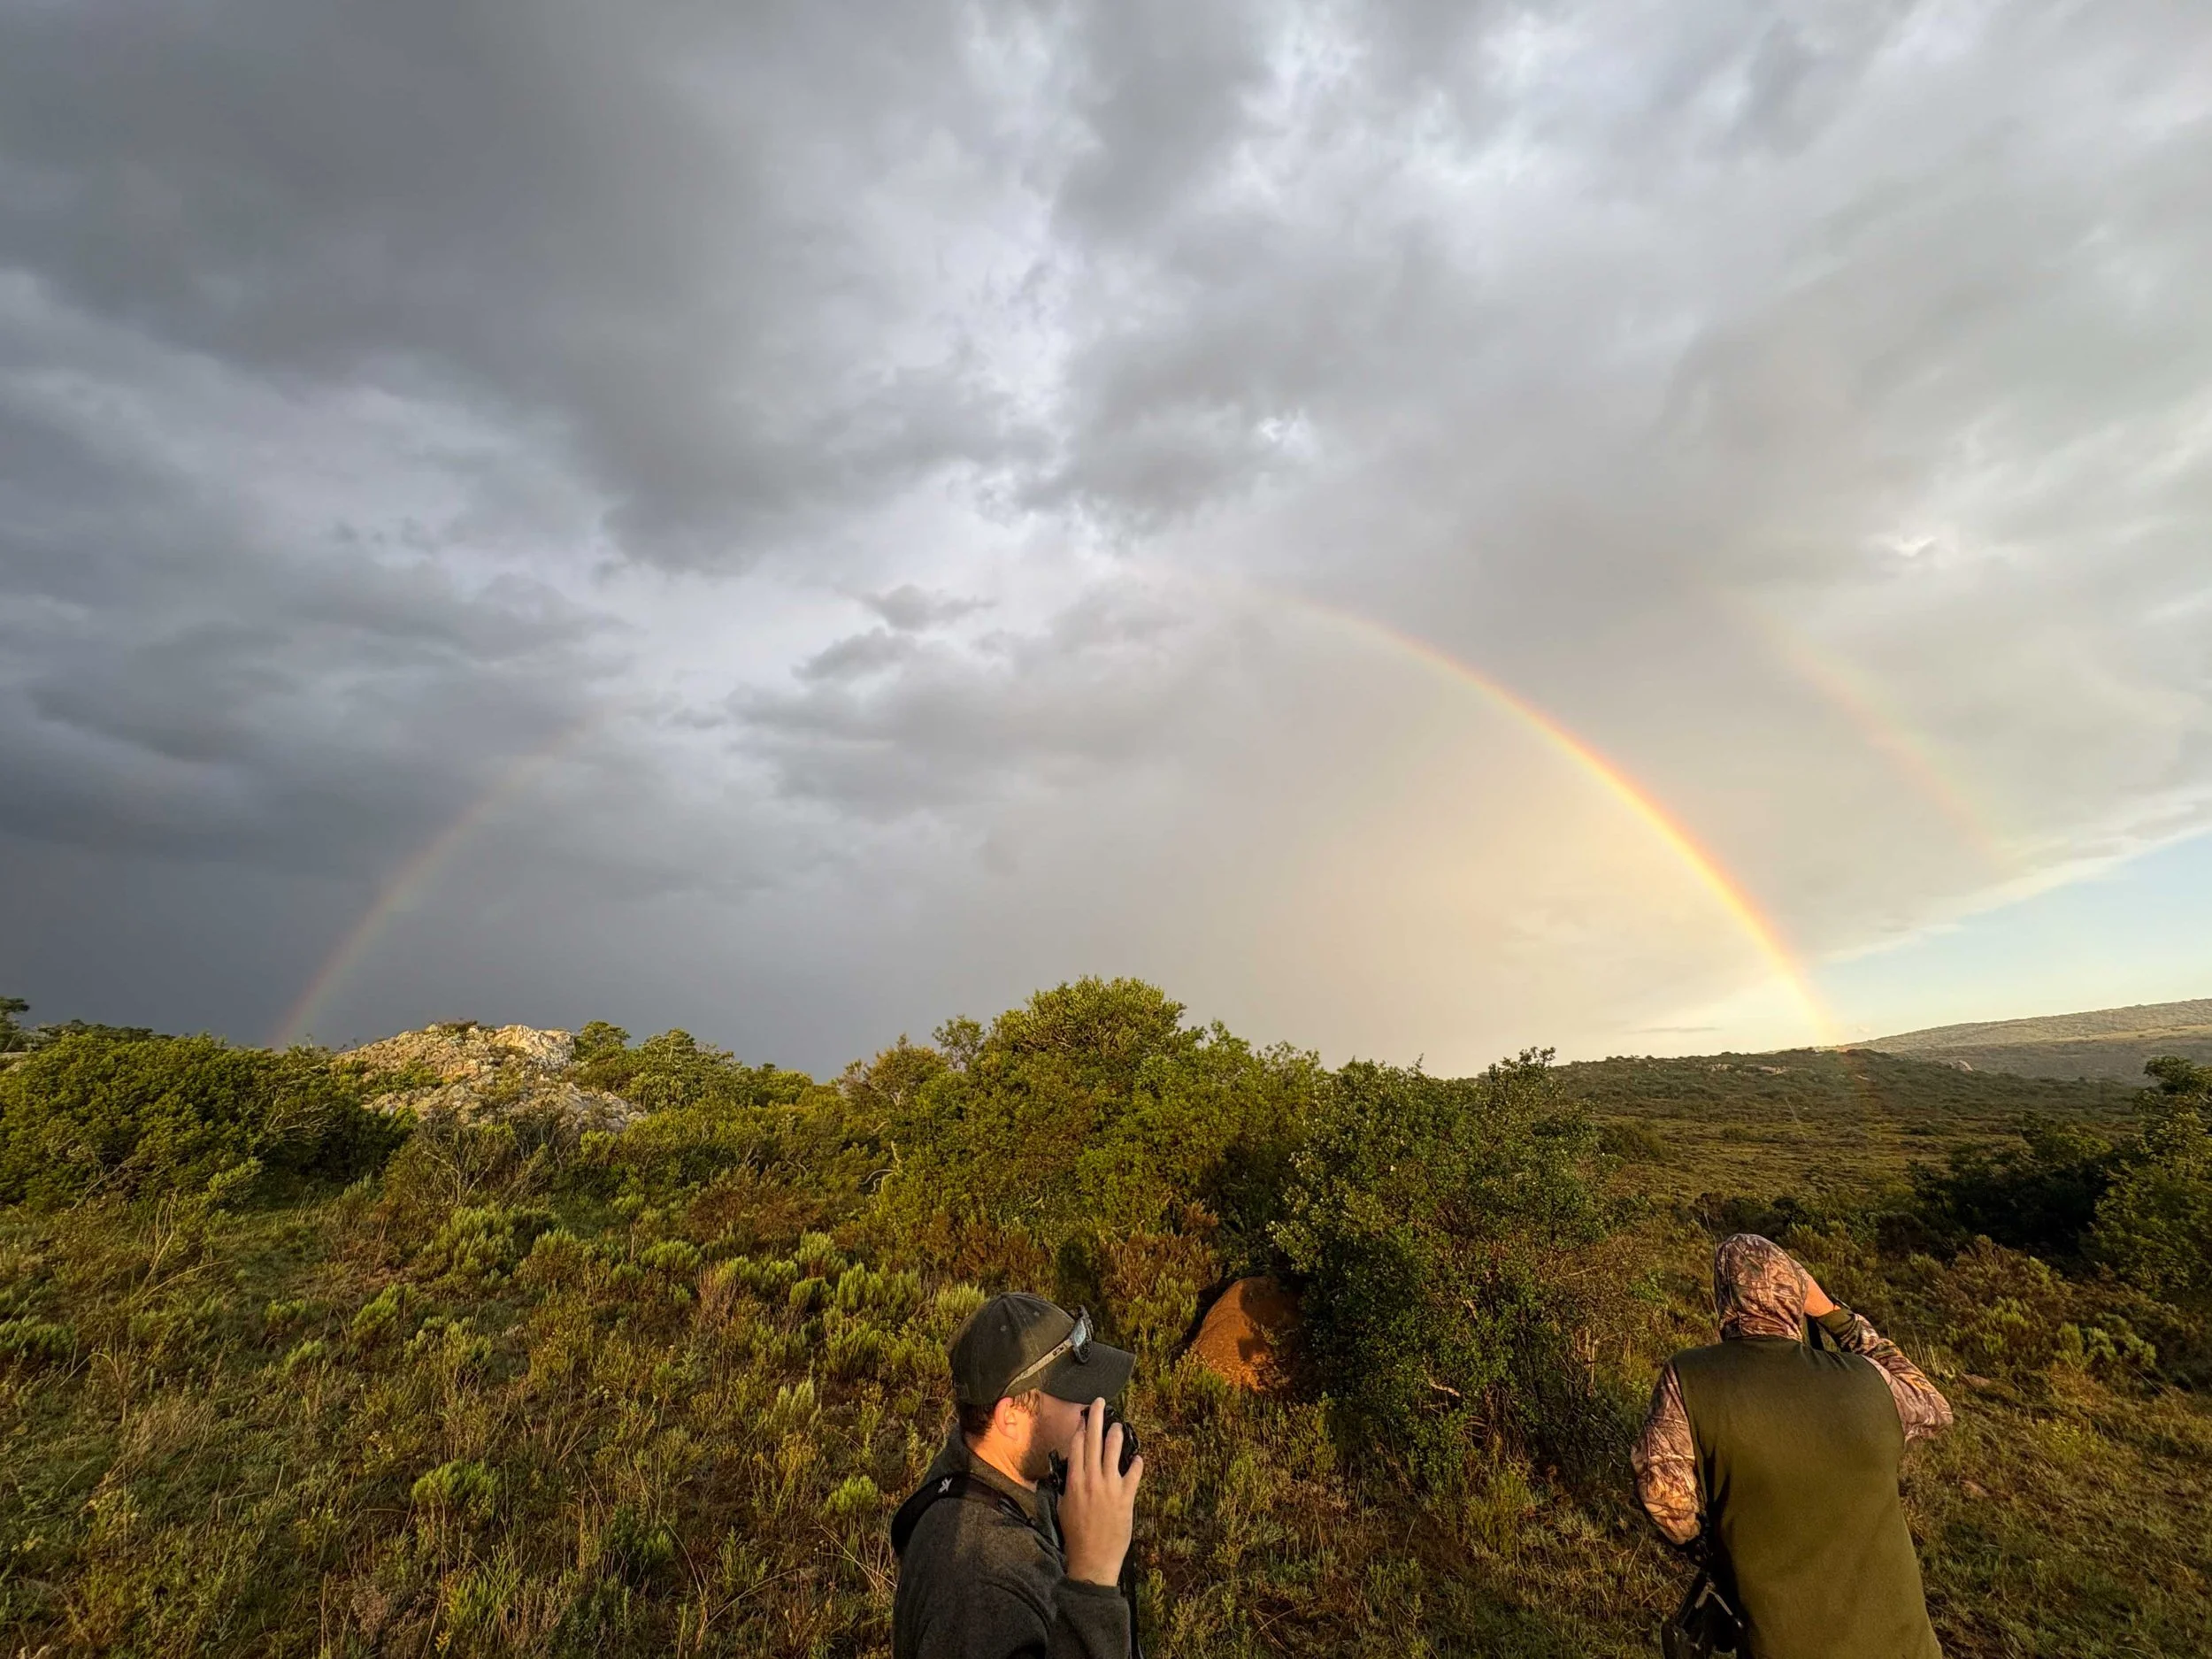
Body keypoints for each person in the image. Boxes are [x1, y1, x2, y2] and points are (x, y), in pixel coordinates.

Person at [1632, 1233, 1955, 1659]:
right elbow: (1935, 1408)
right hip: (1904, 1642)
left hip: (1784, 1641)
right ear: (1797, 1297)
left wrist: (1712, 1547)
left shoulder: (1689, 1377)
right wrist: (1834, 1315)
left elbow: (1664, 1497)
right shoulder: (1868, 1381)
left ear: (1725, 1298)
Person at [892, 1292, 1144, 1659]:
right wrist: (1094, 1576)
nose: (1097, 1408)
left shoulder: (983, 1467)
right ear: (1010, 1417)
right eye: (1077, 1394)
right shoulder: (979, 1591)